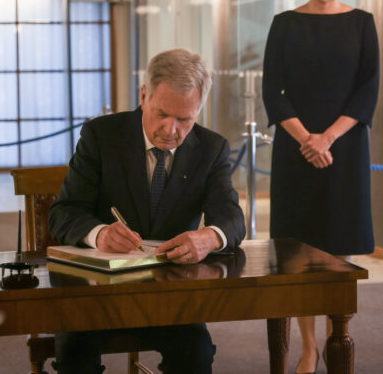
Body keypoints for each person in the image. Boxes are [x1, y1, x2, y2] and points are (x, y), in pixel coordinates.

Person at [48, 48, 246, 374]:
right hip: (96, 292)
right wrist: (99, 235)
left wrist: (210, 237)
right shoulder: (101, 136)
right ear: (144, 96)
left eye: (185, 119)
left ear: (199, 109)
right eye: (162, 114)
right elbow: (64, 212)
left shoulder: (211, 149)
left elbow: (231, 216)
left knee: (196, 356)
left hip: (170, 295)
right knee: (75, 357)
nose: (171, 130)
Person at [261, 0, 379, 374]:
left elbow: (368, 89)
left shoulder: (362, 23)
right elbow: (272, 90)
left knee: (337, 248)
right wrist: (306, 139)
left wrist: (327, 137)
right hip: (296, 152)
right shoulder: (285, 23)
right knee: (297, 253)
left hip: (344, 151)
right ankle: (309, 346)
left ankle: (337, 335)